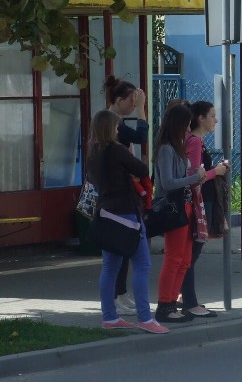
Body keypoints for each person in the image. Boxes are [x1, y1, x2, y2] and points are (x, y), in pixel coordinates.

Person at [87, 110, 168, 334]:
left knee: (110, 267)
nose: (117, 130)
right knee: (142, 264)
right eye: (116, 127)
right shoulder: (116, 150)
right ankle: (145, 317)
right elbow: (142, 170)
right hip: (127, 215)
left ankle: (109, 317)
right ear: (109, 129)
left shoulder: (93, 153)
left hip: (105, 214)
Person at [153, 103, 207, 323]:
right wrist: (194, 177)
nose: (188, 129)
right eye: (185, 124)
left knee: (184, 259)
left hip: (184, 206)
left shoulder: (176, 147)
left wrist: (195, 177)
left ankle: (172, 302)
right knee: (174, 258)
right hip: (173, 207)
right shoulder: (166, 148)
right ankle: (164, 305)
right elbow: (167, 182)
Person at [104, 76, 150, 315]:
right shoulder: (113, 124)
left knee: (119, 253)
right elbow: (141, 138)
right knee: (119, 251)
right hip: (118, 196)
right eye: (131, 102)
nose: (134, 107)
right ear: (119, 100)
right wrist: (142, 111)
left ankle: (119, 294)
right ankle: (115, 297)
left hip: (116, 195)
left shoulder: (113, 122)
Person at [179, 101, 229, 318]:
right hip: (199, 201)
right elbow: (194, 178)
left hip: (200, 200)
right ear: (200, 118)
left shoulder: (195, 141)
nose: (215, 120)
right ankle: (189, 301)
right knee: (192, 253)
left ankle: (183, 295)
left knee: (190, 253)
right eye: (212, 116)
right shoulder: (195, 142)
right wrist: (215, 172)